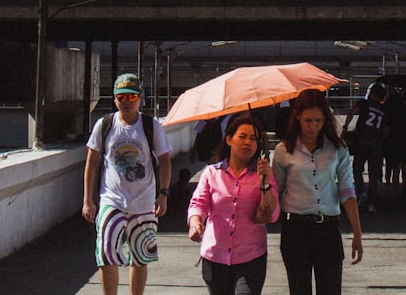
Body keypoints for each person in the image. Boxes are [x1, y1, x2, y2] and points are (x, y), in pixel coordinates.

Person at [82, 73, 173, 295]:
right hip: (111, 199)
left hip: (143, 202)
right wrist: (88, 200)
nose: (126, 102)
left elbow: (164, 161)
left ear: (141, 98)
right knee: (105, 254)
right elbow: (92, 163)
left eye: (131, 96)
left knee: (140, 256)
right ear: (114, 99)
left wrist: (163, 194)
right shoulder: (105, 125)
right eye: (121, 97)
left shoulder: (151, 126)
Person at [273, 88, 363, 295]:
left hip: (328, 229)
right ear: (297, 118)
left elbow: (347, 191)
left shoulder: (338, 149)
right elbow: (276, 193)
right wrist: (263, 183)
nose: (313, 126)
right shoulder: (283, 151)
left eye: (318, 120)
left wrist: (357, 234)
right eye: (308, 120)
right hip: (295, 230)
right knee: (299, 290)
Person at [187, 113, 280, 295]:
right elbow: (198, 203)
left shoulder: (264, 174)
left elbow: (273, 214)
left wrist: (265, 183)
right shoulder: (212, 173)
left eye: (253, 139)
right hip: (215, 257)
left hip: (251, 257)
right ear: (229, 139)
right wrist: (196, 222)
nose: (247, 142)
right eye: (242, 137)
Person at [341, 82, 387, 211]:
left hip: (362, 140)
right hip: (376, 142)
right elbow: (386, 131)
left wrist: (345, 128)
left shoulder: (364, 103)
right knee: (374, 172)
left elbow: (352, 112)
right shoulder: (383, 110)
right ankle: (372, 199)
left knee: (357, 168)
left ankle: (361, 192)